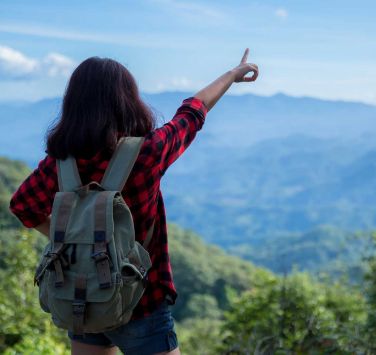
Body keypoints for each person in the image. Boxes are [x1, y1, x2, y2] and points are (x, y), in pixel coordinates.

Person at [9, 48, 259, 355]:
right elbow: (193, 111)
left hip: (83, 297)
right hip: (142, 300)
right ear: (127, 101)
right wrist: (232, 75)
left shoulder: (59, 164)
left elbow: (22, 206)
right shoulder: (147, 154)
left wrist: (77, 241)